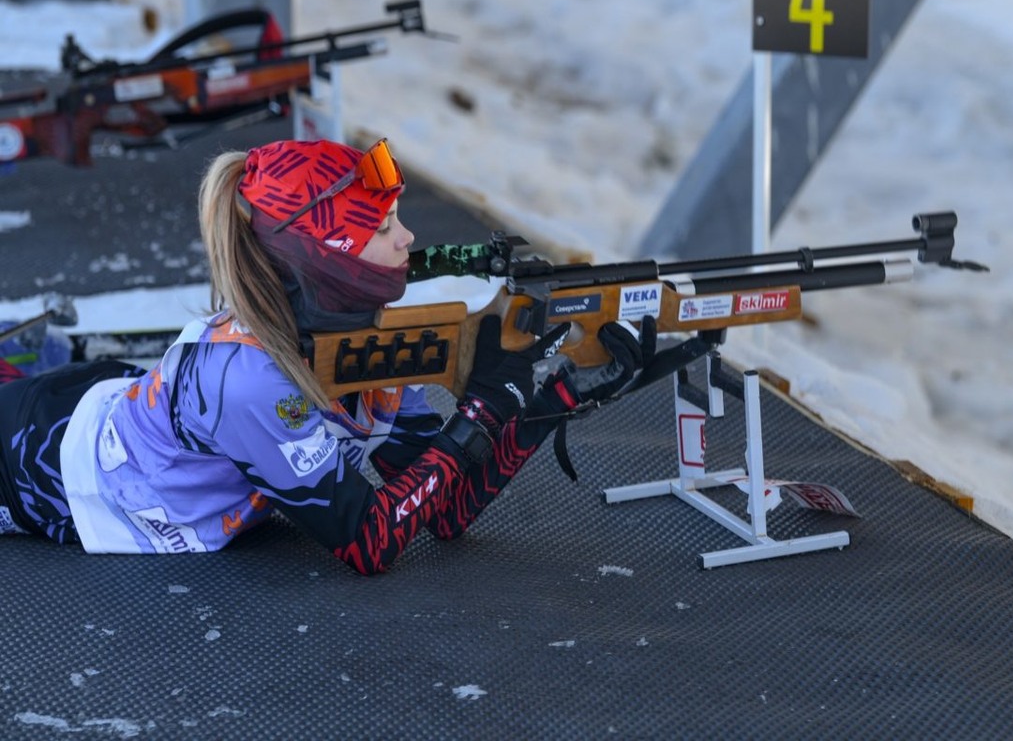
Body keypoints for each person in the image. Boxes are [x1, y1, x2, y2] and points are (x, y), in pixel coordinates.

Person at [0, 138, 650, 574]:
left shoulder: (357, 339)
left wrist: (555, 398)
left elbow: (444, 508)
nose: (409, 237)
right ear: (324, 256)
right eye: (383, 227)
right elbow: (370, 542)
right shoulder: (250, 383)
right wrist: (479, 412)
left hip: (108, 401)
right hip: (41, 463)